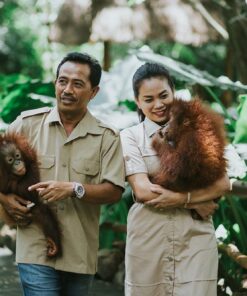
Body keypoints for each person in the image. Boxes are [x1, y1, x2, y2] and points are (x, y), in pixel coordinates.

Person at [0, 52, 125, 295]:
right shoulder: (27, 125)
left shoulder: (107, 137)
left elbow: (114, 191)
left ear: (93, 92)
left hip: (80, 253)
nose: (67, 89)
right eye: (62, 81)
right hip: (35, 249)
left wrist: (73, 189)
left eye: (78, 84)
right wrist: (4, 199)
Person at [120, 62, 231, 296]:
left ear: (173, 92)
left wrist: (181, 197)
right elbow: (142, 190)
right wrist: (194, 201)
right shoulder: (130, 137)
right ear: (138, 101)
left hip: (195, 237)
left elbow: (223, 183)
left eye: (163, 96)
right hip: (148, 238)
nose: (158, 105)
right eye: (148, 99)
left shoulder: (201, 127)